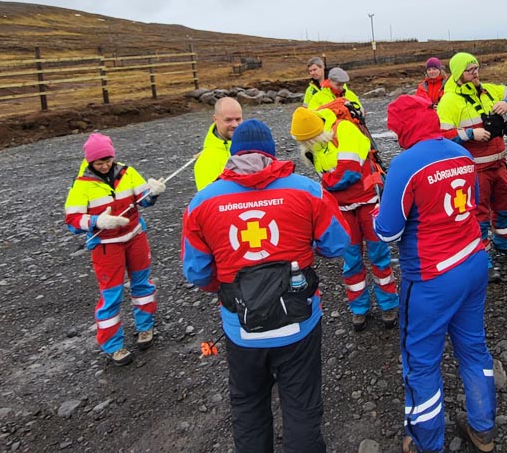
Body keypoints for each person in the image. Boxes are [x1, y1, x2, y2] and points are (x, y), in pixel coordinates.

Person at [182, 120, 350, 453]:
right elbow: (338, 243)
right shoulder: (308, 190)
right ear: (272, 153)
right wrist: (304, 246)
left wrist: (229, 288)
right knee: (302, 406)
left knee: (247, 405)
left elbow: (197, 272)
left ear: (233, 154)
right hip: (299, 322)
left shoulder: (202, 202)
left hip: (240, 328)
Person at [374, 95, 497, 453]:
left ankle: (427, 442)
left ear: (403, 128)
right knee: (473, 347)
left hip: (431, 276)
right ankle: (483, 429)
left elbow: (388, 231)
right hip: (472, 261)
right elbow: (471, 204)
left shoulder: (406, 164)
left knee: (421, 362)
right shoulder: (462, 153)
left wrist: (374, 211)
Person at [64, 132, 167, 367]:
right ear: (90, 161)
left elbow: (143, 200)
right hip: (105, 246)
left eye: (108, 160)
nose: (104, 166)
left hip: (135, 237)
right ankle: (113, 346)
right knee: (111, 294)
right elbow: (72, 221)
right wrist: (97, 221)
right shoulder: (81, 185)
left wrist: (153, 193)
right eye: (99, 162)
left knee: (142, 285)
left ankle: (145, 327)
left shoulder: (127, 173)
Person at [291, 106, 398, 331]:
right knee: (351, 259)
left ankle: (388, 304)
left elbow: (348, 173)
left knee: (378, 254)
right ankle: (359, 308)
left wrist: (321, 188)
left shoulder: (345, 130)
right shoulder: (314, 146)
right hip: (342, 207)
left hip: (368, 201)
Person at [436, 52, 507, 279]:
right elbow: (440, 135)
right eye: (470, 70)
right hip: (474, 169)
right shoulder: (449, 101)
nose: (475, 73)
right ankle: (482, 259)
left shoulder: (489, 90)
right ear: (458, 73)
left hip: (499, 163)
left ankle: (504, 243)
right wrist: (469, 134)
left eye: (476, 68)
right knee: (479, 214)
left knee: (505, 204)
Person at [195, 96, 244, 190]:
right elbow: (210, 196)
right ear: (215, 119)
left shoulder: (253, 147)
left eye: (238, 119)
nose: (235, 125)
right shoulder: (206, 161)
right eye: (228, 120)